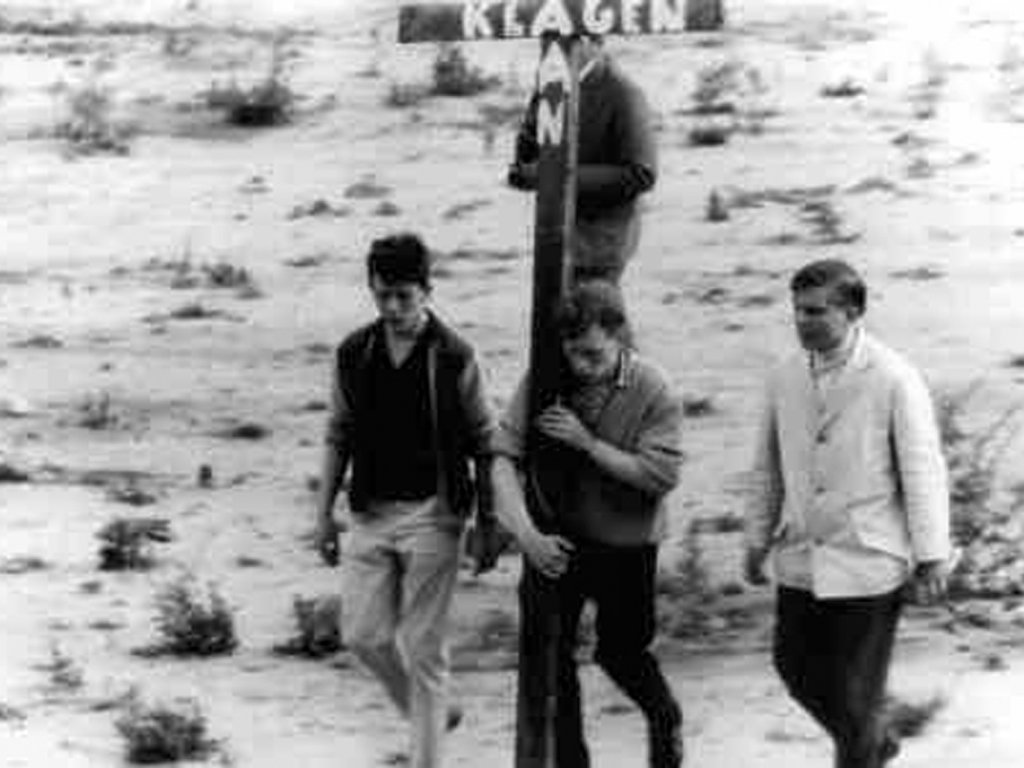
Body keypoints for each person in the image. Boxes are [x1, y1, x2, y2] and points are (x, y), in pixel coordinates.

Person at [744, 259, 953, 768]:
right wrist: (755, 538)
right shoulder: (784, 375)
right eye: (797, 311)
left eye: (817, 312)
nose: (803, 322)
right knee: (793, 667)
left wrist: (931, 556)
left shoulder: (893, 377)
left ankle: (865, 742)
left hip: (869, 564)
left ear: (854, 311)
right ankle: (875, 740)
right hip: (801, 559)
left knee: (854, 699)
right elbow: (766, 464)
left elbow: (923, 470)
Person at [314, 233, 500, 768]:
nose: (393, 308)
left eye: (405, 297)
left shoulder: (456, 356)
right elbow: (337, 433)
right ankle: (433, 714)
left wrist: (487, 522)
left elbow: (486, 442)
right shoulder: (354, 354)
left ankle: (427, 756)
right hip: (371, 513)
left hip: (433, 514)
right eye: (382, 296)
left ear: (427, 290)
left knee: (423, 649)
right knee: (364, 636)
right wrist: (323, 514)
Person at [492, 281, 684, 768]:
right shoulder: (546, 380)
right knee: (553, 664)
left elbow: (660, 476)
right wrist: (527, 536)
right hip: (563, 544)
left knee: (621, 653)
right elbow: (501, 458)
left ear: (618, 336)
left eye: (594, 355)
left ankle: (666, 723)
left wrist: (588, 444)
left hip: (627, 546)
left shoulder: (653, 387)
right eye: (574, 354)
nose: (582, 367)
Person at [508, 34, 657, 285]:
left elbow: (642, 173)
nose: (552, 48)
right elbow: (527, 153)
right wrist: (525, 172)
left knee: (593, 314)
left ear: (590, 43)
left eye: (562, 38)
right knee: (555, 315)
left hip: (602, 240)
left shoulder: (623, 91)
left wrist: (554, 176)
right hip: (554, 233)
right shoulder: (551, 82)